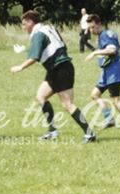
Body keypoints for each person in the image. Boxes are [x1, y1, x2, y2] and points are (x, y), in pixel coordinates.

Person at [12, 10, 96, 143]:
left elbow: (34, 57)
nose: (23, 28)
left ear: (30, 22)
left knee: (68, 104)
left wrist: (20, 67)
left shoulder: (38, 34)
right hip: (59, 67)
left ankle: (89, 133)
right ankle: (52, 131)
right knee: (41, 96)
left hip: (60, 69)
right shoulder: (49, 28)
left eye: (24, 24)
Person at [85, 14, 120, 130]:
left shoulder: (104, 35)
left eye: (93, 27)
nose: (91, 30)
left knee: (116, 101)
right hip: (106, 72)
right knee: (95, 95)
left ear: (99, 24)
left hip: (113, 72)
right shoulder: (109, 33)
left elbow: (112, 50)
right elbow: (119, 44)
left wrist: (95, 53)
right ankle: (110, 120)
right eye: (89, 28)